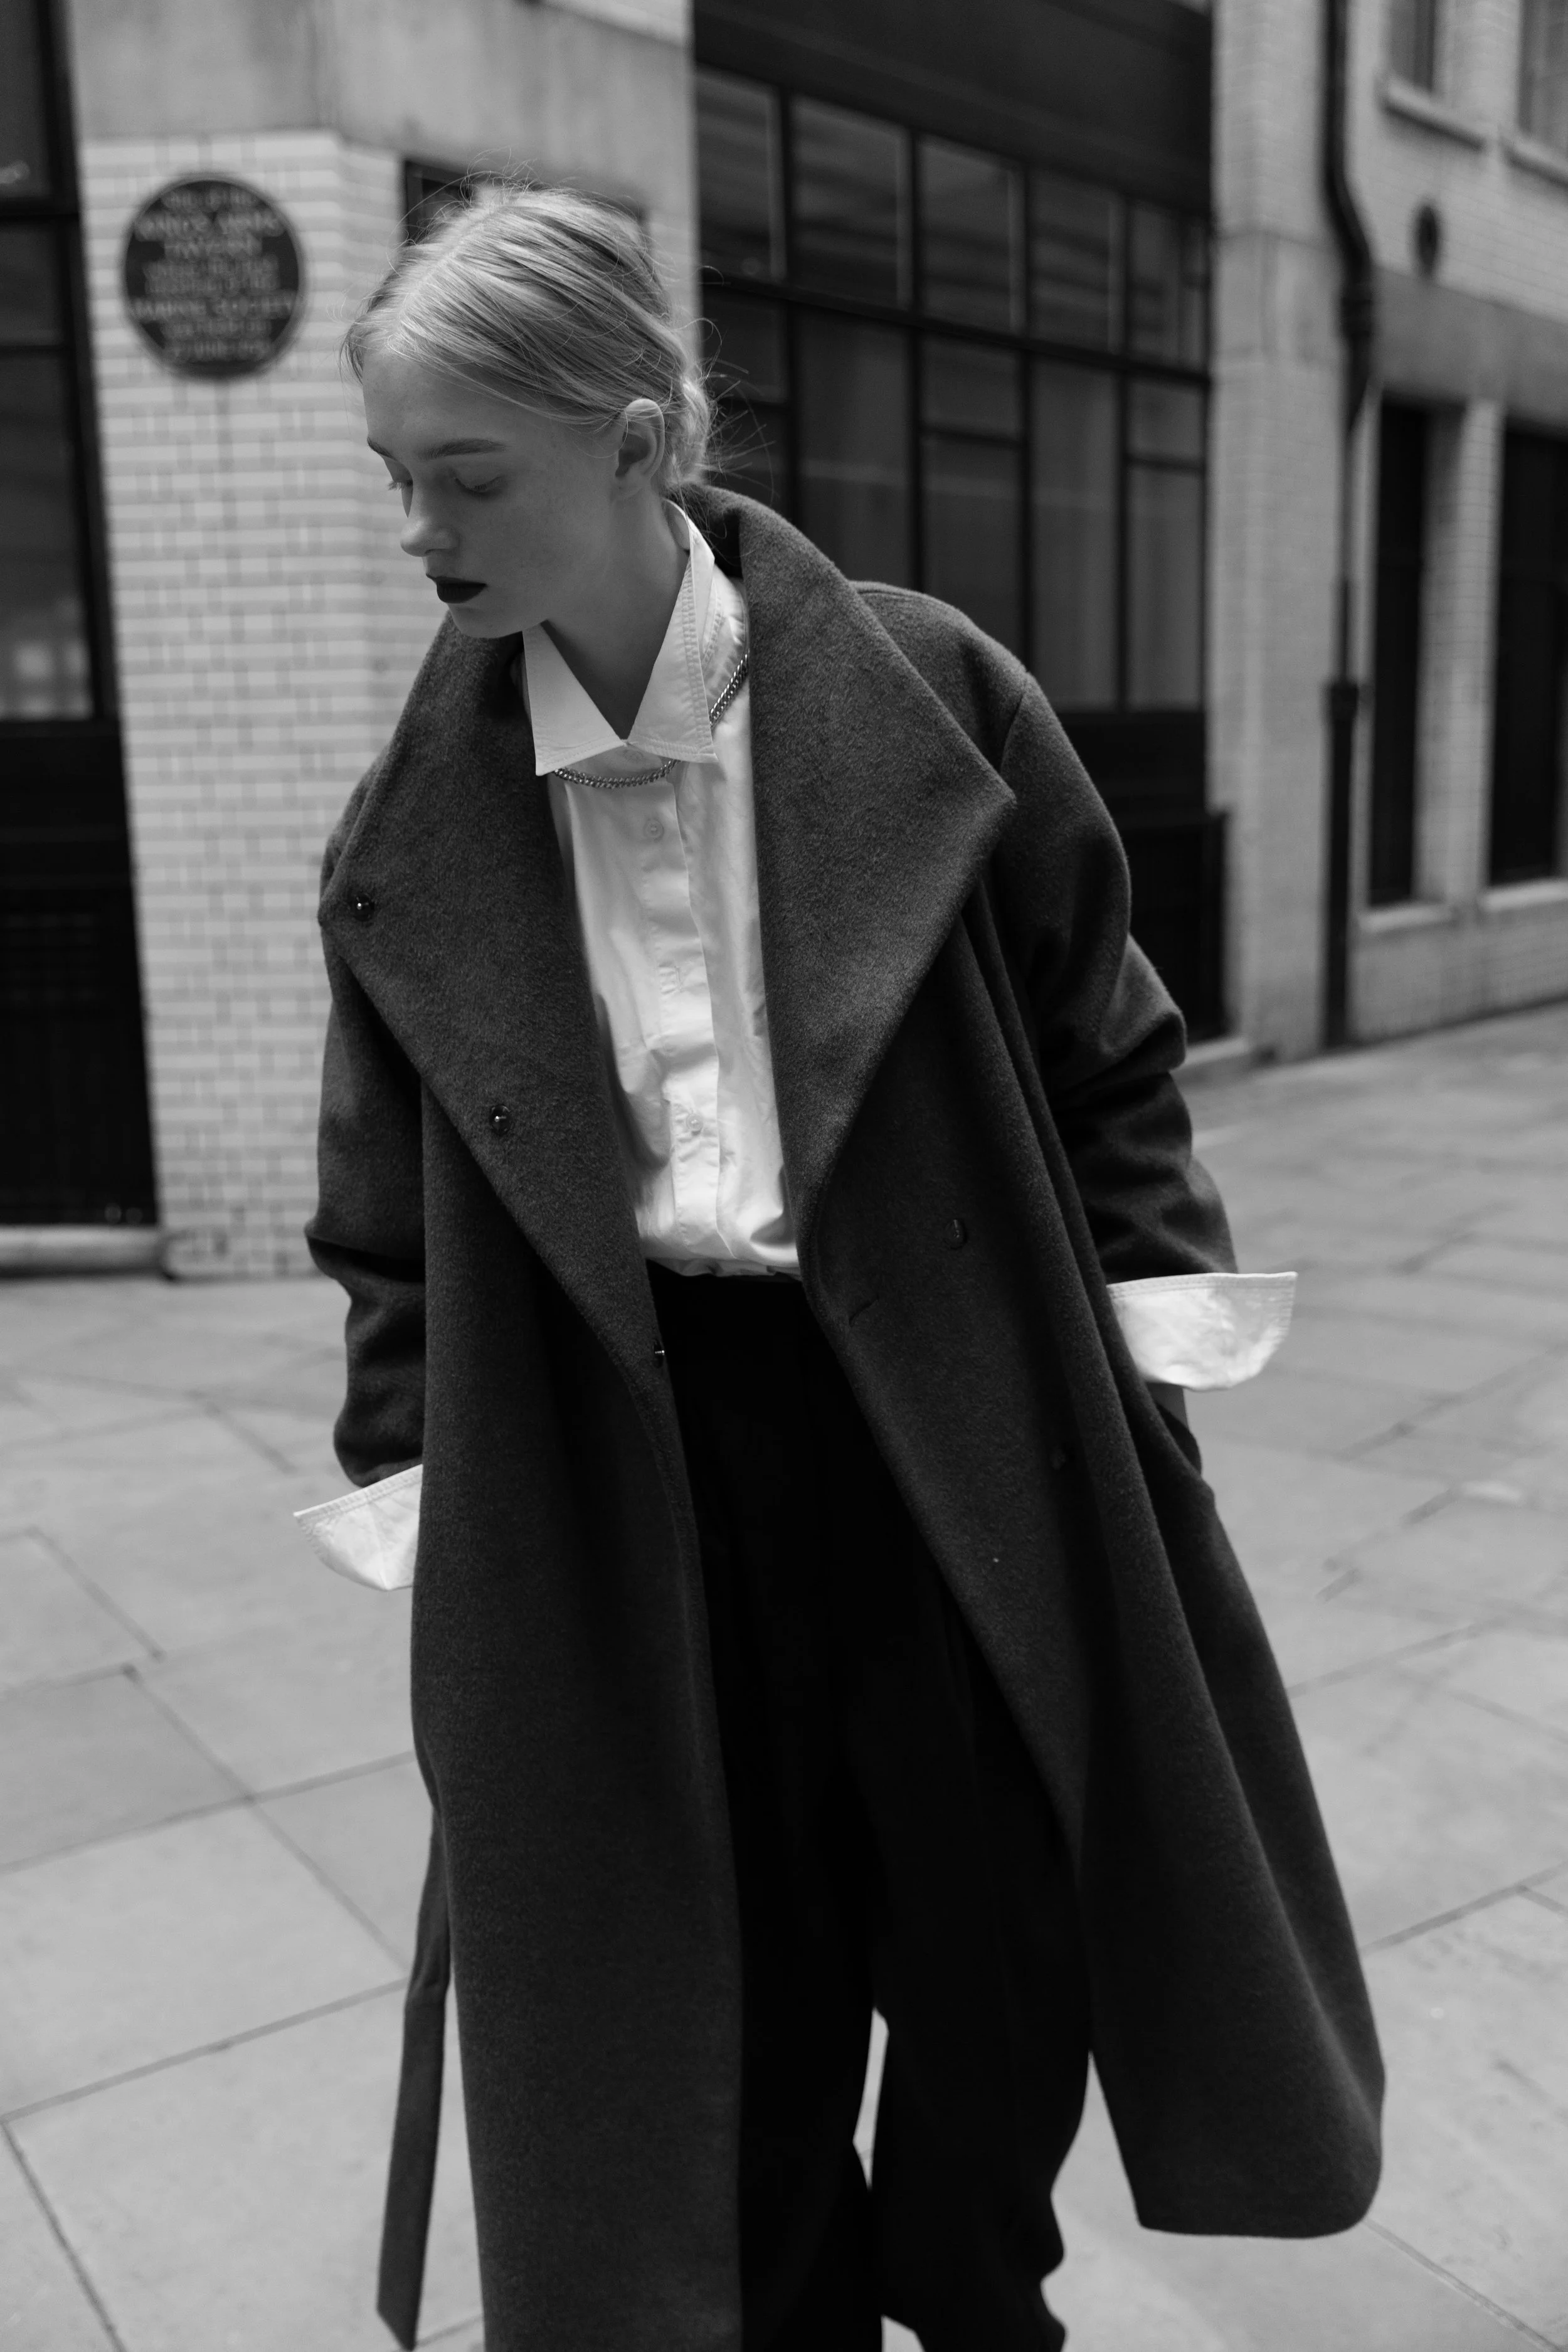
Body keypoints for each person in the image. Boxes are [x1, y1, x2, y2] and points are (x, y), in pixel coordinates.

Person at [305, 186, 1382, 2352]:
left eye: (469, 475)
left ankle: (977, 2293)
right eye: (397, 477)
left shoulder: (928, 684)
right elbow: (386, 1222)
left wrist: (1150, 1361)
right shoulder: (414, 823)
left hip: (948, 1406)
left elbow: (1111, 1041)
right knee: (723, 1967)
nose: (421, 528)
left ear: (633, 441)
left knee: (1003, 1939)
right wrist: (429, 1482)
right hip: (630, 1461)